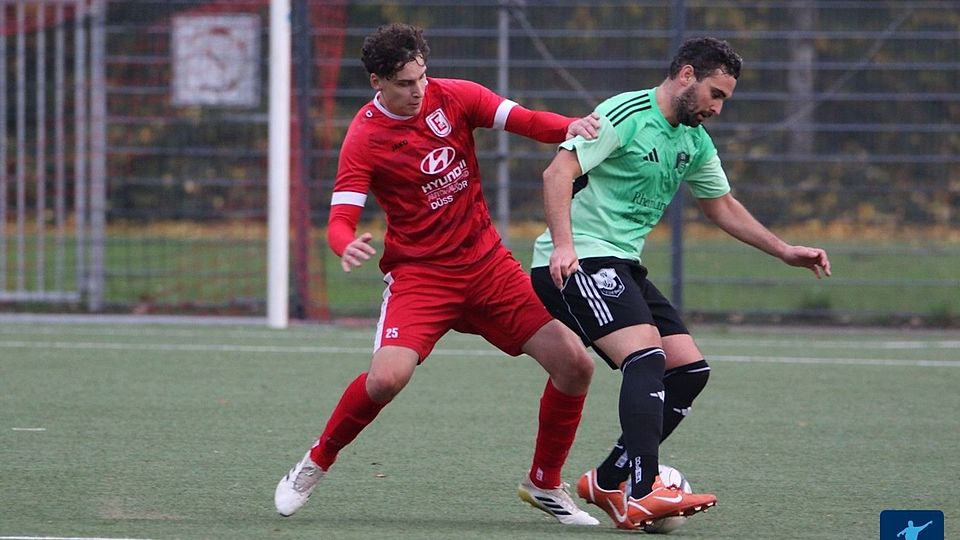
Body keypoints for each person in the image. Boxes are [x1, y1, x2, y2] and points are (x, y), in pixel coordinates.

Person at [274, 23, 603, 526]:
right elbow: (340, 217)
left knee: (576, 365)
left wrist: (568, 126)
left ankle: (545, 484)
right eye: (405, 83)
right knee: (386, 379)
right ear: (376, 82)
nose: (418, 90)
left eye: (421, 77)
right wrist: (346, 243)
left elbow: (524, 120)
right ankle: (317, 460)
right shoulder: (364, 136)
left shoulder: (454, 97)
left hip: (488, 266)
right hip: (422, 277)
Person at [529, 37, 832, 530]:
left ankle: (609, 478)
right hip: (577, 259)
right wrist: (564, 245)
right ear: (687, 75)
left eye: (724, 100)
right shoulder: (627, 112)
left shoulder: (693, 141)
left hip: (622, 264)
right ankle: (643, 491)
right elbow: (557, 172)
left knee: (688, 371)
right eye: (716, 94)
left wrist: (784, 250)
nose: (717, 107)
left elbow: (722, 205)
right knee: (646, 358)